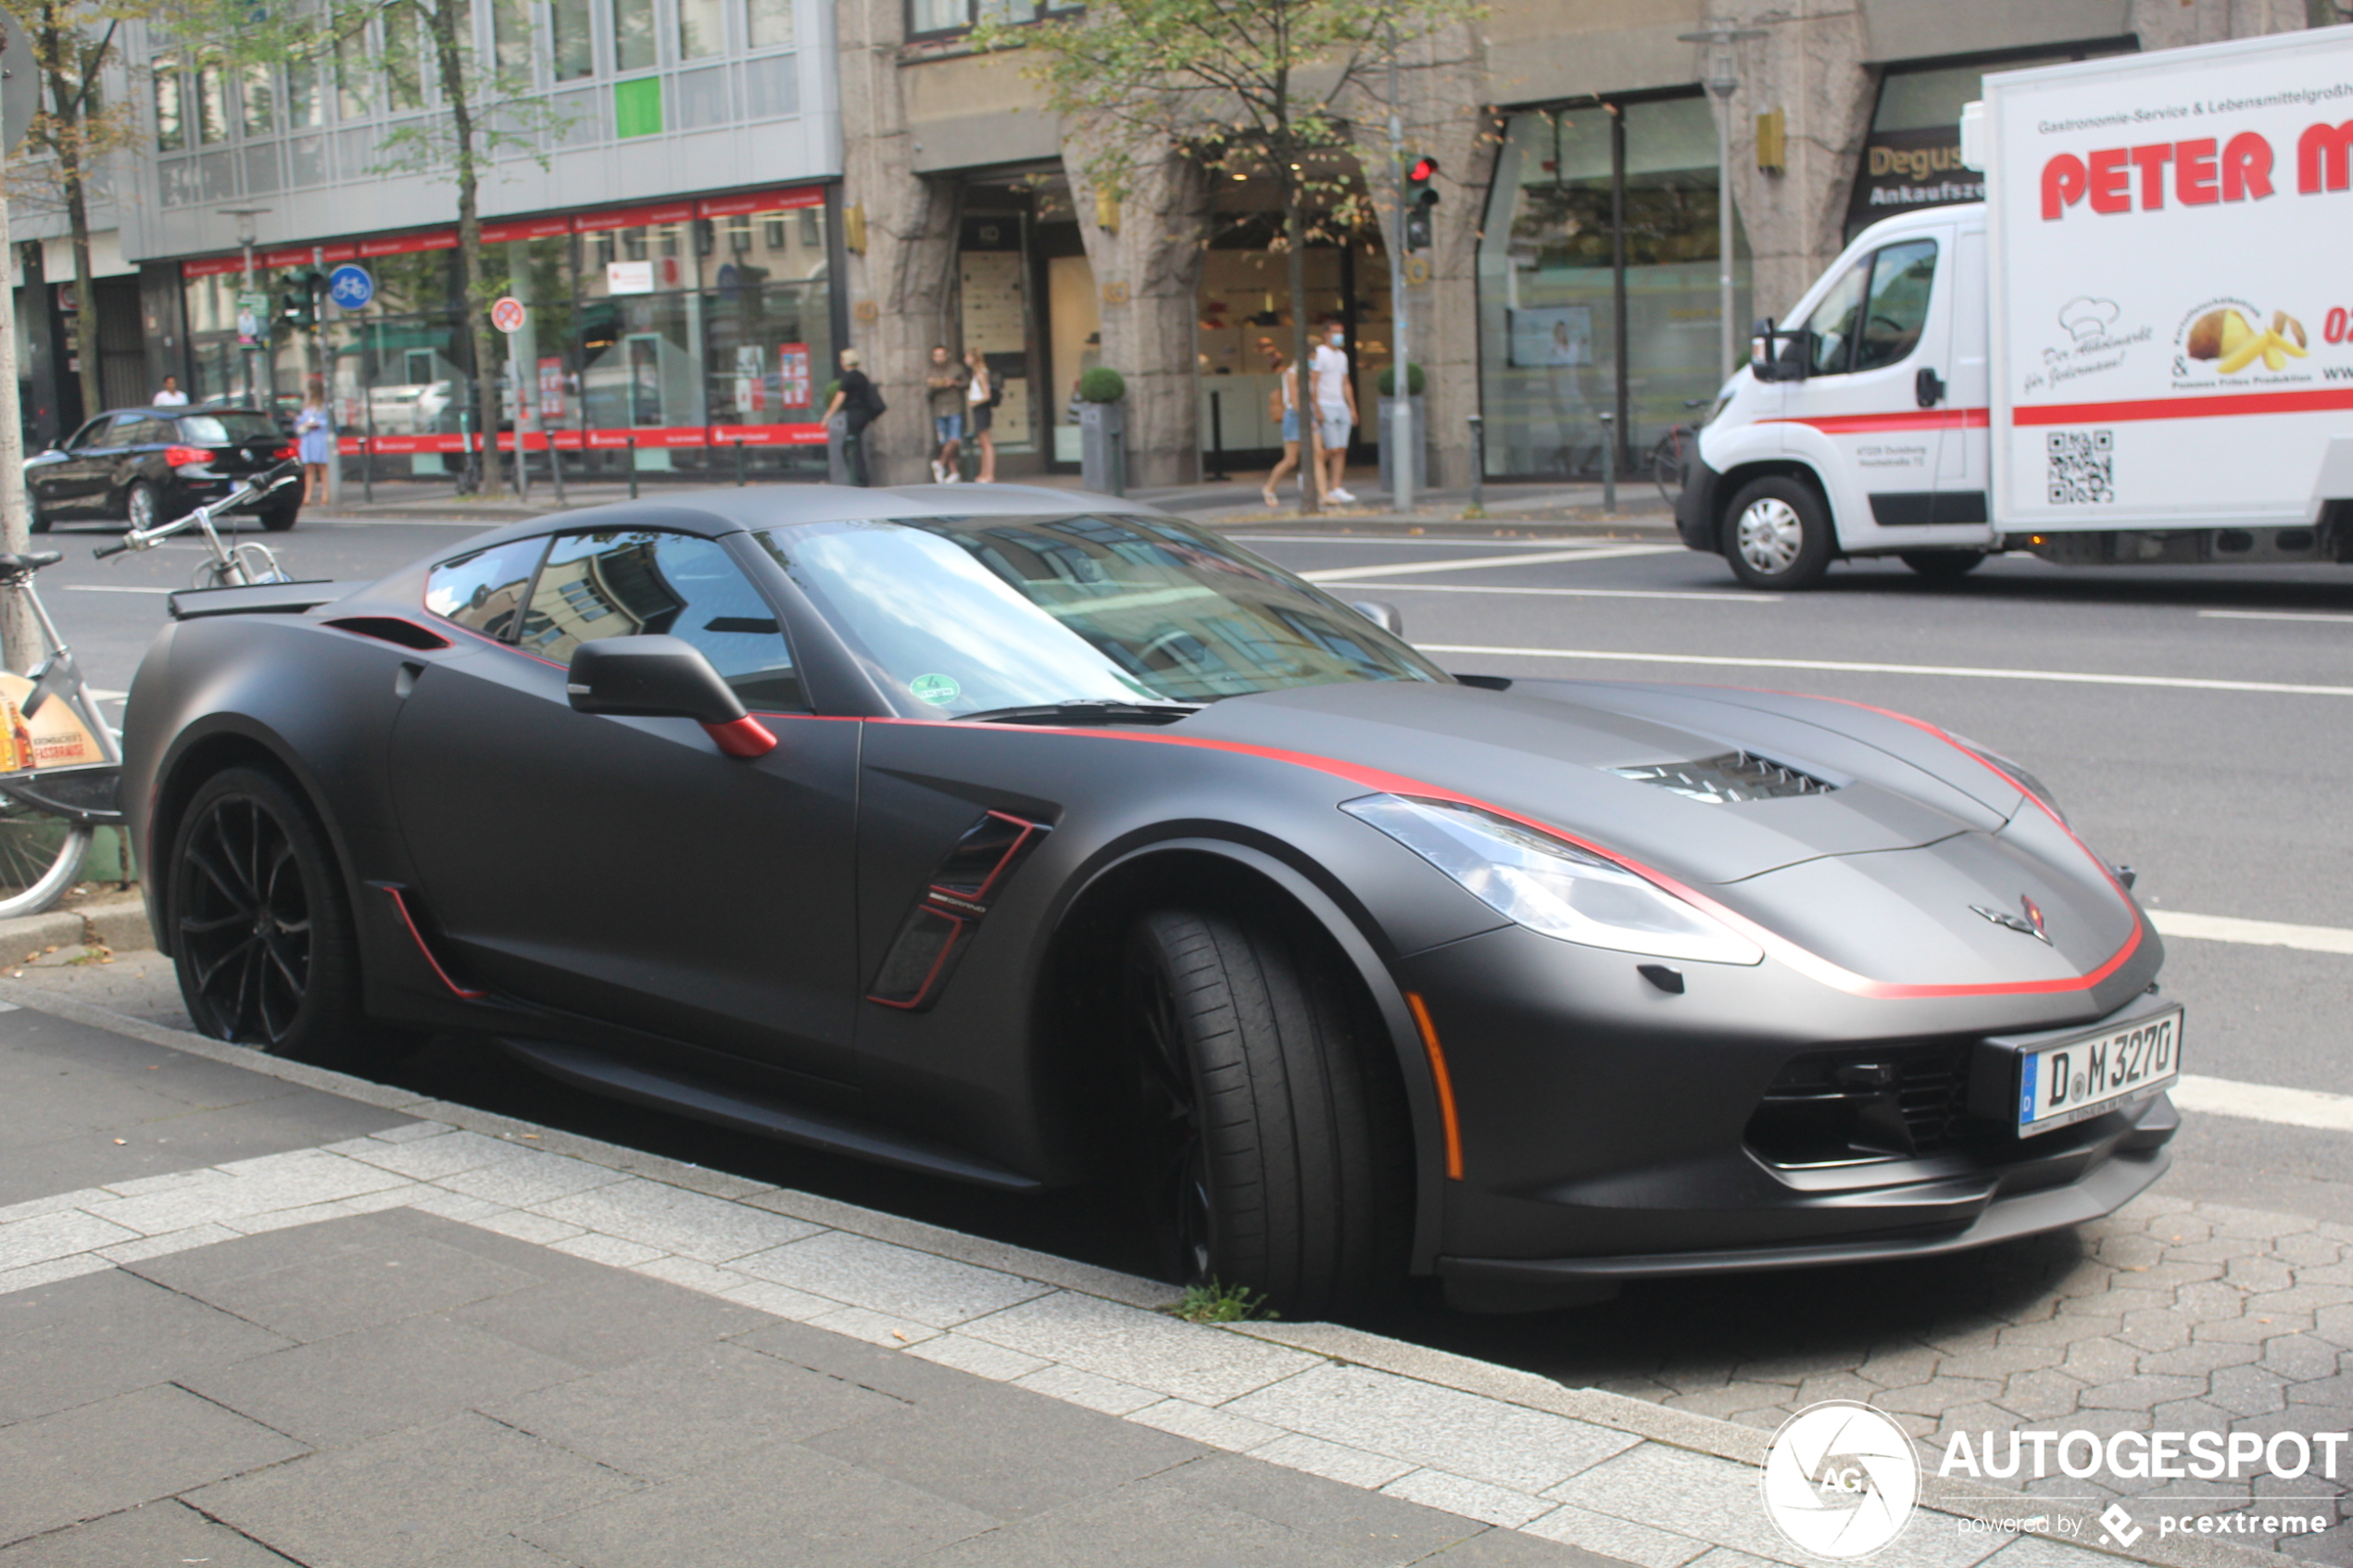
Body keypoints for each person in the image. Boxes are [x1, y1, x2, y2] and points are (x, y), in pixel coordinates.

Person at [1258, 337, 1314, 508]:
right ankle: (1269, 487)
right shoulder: (1292, 373)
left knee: (1312, 453)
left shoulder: (1305, 373)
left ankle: (1306, 486)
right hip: (1295, 416)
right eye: (1312, 358)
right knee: (1291, 459)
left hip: (1301, 415)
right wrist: (1307, 419)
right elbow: (1295, 400)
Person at [1310, 320, 1358, 504]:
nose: (1340, 335)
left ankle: (1336, 486)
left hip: (1340, 404)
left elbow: (1346, 383)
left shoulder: (1342, 356)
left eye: (1341, 332)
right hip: (1325, 403)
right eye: (1336, 332)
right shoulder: (1320, 354)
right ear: (1326, 334)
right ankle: (1314, 470)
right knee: (1333, 448)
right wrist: (1317, 407)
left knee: (1341, 449)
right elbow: (1314, 383)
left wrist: (1352, 407)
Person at [822, 347, 882, 486]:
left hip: (854, 414)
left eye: (842, 359)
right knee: (855, 444)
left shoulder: (848, 378)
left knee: (851, 446)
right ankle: (861, 477)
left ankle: (859, 477)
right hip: (863, 414)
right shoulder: (861, 376)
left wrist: (827, 417)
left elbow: (839, 398)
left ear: (846, 361)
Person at [925, 345, 969, 483]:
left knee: (955, 439)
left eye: (941, 355)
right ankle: (954, 472)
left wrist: (954, 383)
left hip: (954, 407)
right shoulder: (931, 371)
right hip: (939, 409)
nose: (939, 358)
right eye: (936, 356)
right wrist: (932, 386)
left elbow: (966, 383)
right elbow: (928, 395)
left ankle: (940, 463)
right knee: (945, 442)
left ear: (947, 355)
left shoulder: (956, 368)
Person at [293, 380, 333, 505]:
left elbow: (328, 422)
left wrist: (318, 424)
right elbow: (302, 422)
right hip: (308, 439)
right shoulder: (307, 406)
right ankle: (308, 497)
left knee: (323, 468)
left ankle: (325, 495)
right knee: (309, 469)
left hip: (320, 439)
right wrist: (298, 420)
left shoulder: (324, 406)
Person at [962, 347, 996, 483]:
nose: (966, 360)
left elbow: (987, 395)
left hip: (981, 409)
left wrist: (974, 402)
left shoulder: (981, 373)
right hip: (979, 409)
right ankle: (984, 472)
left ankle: (989, 474)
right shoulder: (977, 373)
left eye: (968, 357)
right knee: (983, 443)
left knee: (986, 442)